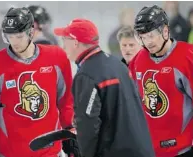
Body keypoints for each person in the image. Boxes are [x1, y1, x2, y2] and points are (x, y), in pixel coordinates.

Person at [0, 7, 75, 157]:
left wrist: (70, 130)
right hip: (11, 152)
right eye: (10, 36)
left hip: (51, 151)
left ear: (31, 32)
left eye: (19, 36)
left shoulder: (56, 57)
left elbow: (66, 100)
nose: (14, 42)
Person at [54, 18, 155, 157]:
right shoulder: (117, 64)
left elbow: (88, 125)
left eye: (64, 40)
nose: (63, 46)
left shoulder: (86, 74)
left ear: (75, 42)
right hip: (142, 149)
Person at [130, 5, 193, 157]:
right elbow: (133, 103)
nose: (147, 42)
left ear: (165, 31)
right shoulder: (138, 61)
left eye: (151, 35)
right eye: (142, 37)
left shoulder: (187, 57)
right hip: (149, 150)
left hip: (182, 151)